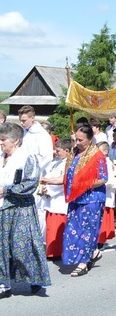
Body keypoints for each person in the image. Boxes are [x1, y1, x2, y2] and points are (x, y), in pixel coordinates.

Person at [0, 122, 52, 297]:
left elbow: (30, 183)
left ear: (15, 141)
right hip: (2, 208)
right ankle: (4, 284)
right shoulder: (1, 156)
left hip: (20, 208)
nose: (1, 143)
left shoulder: (27, 158)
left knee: (21, 247)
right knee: (1, 247)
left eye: (3, 140)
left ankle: (33, 278)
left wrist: (7, 190)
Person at [62, 123, 107, 277]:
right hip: (76, 198)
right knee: (72, 230)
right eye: (77, 139)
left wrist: (83, 185)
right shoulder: (74, 154)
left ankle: (83, 262)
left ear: (90, 139)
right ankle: (93, 252)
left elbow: (103, 178)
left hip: (91, 198)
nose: (78, 142)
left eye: (81, 140)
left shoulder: (97, 156)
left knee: (87, 231)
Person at [18, 105, 54, 235]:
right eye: (20, 120)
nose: (22, 123)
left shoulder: (42, 135)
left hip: (36, 176)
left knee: (37, 208)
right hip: (22, 176)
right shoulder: (24, 132)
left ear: (32, 118)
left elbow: (47, 157)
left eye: (24, 120)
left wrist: (32, 172)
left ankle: (38, 237)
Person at [39, 138, 73, 259]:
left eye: (58, 150)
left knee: (56, 227)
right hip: (51, 199)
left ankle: (56, 252)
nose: (56, 153)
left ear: (67, 150)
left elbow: (64, 181)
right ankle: (51, 250)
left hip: (60, 200)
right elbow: (50, 175)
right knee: (50, 227)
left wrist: (48, 188)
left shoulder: (69, 163)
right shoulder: (58, 162)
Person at [96, 142, 116, 250]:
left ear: (105, 151)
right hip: (100, 193)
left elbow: (109, 180)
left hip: (105, 193)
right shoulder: (100, 162)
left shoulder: (107, 163)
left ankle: (101, 241)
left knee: (103, 218)